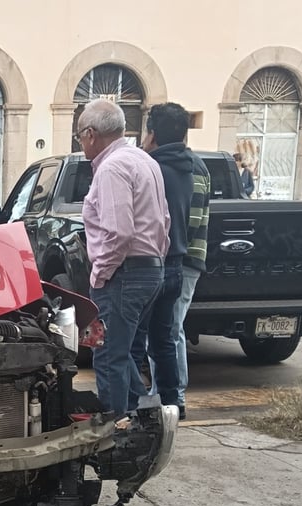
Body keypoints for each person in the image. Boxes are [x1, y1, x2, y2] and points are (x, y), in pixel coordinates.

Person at [77, 99, 170, 417]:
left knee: (106, 355)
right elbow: (164, 223)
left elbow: (119, 232)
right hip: (150, 270)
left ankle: (117, 435)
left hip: (123, 275)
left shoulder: (112, 167)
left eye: (79, 136)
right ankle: (143, 418)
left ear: (90, 134)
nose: (81, 143)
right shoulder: (144, 160)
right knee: (125, 352)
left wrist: (99, 274)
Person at [133, 103, 211, 421]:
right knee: (167, 333)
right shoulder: (197, 167)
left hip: (161, 261)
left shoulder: (151, 168)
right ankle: (170, 399)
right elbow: (194, 217)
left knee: (148, 335)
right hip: (185, 257)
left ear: (152, 133)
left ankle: (153, 400)